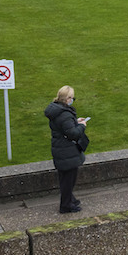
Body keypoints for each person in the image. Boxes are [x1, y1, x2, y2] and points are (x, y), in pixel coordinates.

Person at [45, 85, 89, 213]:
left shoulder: (56, 110)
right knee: (68, 179)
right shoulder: (64, 114)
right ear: (67, 98)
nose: (72, 100)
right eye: (72, 97)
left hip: (60, 150)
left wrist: (75, 121)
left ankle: (70, 200)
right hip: (67, 151)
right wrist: (82, 126)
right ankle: (66, 205)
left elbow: (64, 126)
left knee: (65, 178)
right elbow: (73, 133)